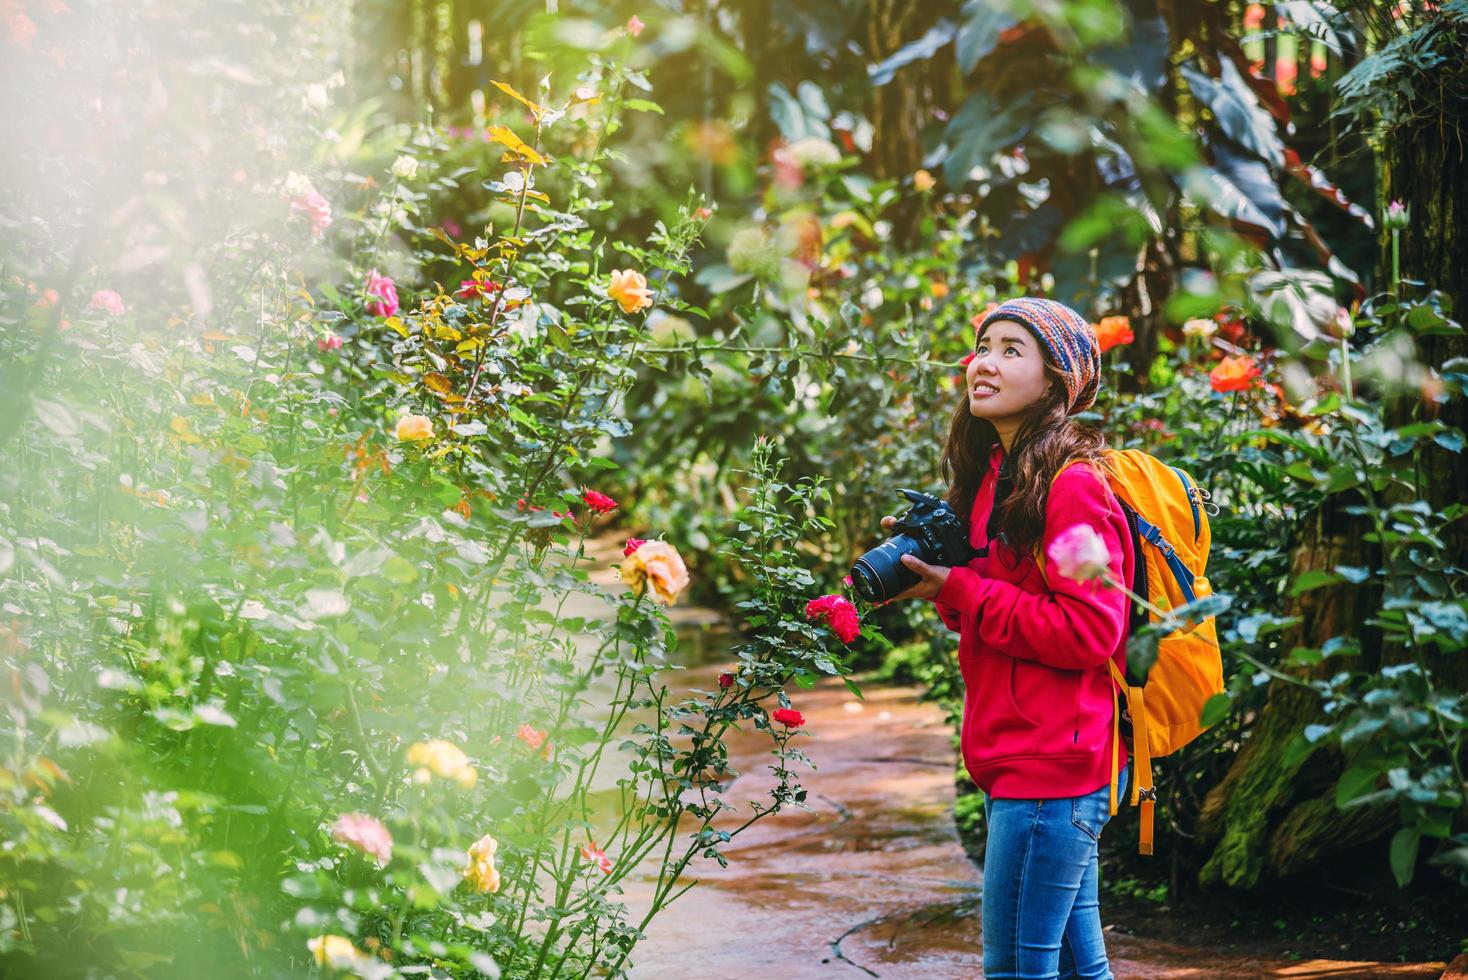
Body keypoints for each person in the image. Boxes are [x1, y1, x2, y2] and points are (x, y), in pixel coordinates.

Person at [880, 296, 1135, 980]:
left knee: (1018, 971)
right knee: (1082, 971)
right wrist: (942, 586)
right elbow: (1002, 611)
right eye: (982, 346)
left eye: (1009, 350)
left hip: (1052, 765)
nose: (983, 363)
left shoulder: (1073, 485)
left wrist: (961, 590)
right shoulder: (998, 478)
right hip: (1022, 755)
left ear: (1056, 380)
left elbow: (1090, 630)